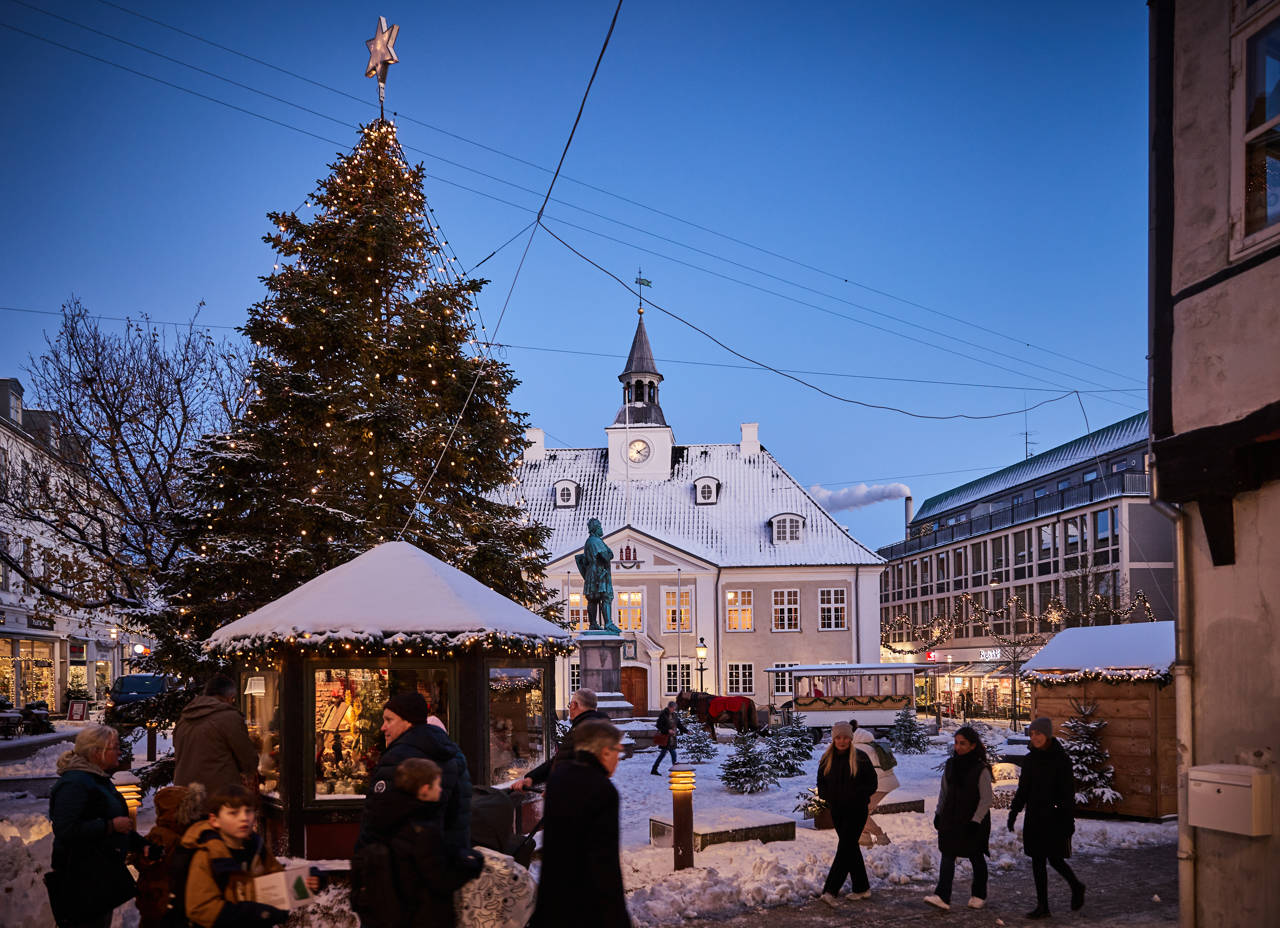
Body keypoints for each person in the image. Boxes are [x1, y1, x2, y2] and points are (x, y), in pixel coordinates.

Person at [530, 720, 630, 928]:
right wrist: (617, 916)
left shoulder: (559, 778)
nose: (617, 761)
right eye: (617, 753)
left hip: (554, 898)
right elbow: (604, 860)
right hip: (589, 905)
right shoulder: (602, 790)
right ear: (604, 752)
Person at [47, 725, 149, 928]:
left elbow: (117, 820)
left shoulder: (98, 778)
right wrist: (109, 826)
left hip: (100, 874)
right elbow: (66, 830)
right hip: (81, 879)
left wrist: (141, 844)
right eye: (115, 747)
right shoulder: (75, 783)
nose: (120, 751)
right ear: (96, 752)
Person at [182, 784, 318, 928]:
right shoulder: (206, 854)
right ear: (214, 820)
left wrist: (307, 880)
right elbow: (200, 908)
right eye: (233, 813)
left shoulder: (255, 847)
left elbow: (275, 879)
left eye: (248, 811)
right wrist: (255, 913)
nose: (244, 818)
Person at [358, 691, 472, 854]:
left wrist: (364, 861)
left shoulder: (398, 758)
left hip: (401, 865)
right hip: (444, 864)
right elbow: (459, 815)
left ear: (408, 722)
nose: (383, 727)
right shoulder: (453, 753)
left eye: (389, 720)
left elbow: (378, 820)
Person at [387, 758, 484, 927]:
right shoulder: (424, 828)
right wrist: (471, 867)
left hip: (404, 911)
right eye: (437, 785)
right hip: (426, 914)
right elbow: (440, 879)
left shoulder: (394, 817)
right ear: (425, 789)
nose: (440, 789)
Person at [1009, 717, 1086, 919]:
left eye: (1039, 734)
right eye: (1032, 734)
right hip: (1034, 817)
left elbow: (1068, 794)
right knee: (1037, 861)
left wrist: (1068, 820)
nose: (1034, 737)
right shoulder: (1030, 759)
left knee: (1055, 859)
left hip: (1054, 817)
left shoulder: (1061, 760)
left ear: (1047, 734)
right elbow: (1023, 789)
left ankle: (1076, 886)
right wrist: (1014, 812)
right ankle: (1043, 906)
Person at [924, 725, 993, 911]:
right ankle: (942, 896)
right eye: (956, 743)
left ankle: (979, 894)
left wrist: (976, 821)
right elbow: (944, 792)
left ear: (972, 746)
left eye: (963, 743)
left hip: (972, 821)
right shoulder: (951, 765)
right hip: (951, 818)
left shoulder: (981, 769)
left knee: (975, 856)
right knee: (947, 855)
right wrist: (938, 813)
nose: (958, 747)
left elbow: (987, 799)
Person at [815, 721, 878, 906]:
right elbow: (822, 784)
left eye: (845, 737)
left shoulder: (860, 758)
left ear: (850, 739)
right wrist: (831, 798)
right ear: (833, 739)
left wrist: (856, 796)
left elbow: (872, 784)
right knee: (850, 848)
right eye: (838, 737)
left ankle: (830, 890)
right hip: (838, 811)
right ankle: (862, 888)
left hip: (856, 811)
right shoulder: (826, 760)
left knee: (845, 849)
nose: (842, 741)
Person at [174, 674, 259, 796]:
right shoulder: (229, 717)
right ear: (230, 697)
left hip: (185, 794)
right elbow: (247, 757)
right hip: (217, 794)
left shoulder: (185, 717)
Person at [511, 688, 608, 792]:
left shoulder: (583, 729)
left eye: (569, 705)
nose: (569, 708)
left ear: (574, 705)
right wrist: (532, 778)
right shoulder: (601, 727)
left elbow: (568, 765)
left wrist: (556, 788)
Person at [850, 721, 899, 846]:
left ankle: (880, 836)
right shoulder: (870, 744)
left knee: (858, 812)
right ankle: (864, 838)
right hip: (885, 783)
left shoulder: (858, 748)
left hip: (879, 784)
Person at [649, 701, 688, 776]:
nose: (674, 710)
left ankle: (655, 769)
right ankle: (673, 770)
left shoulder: (674, 715)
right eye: (673, 708)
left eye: (674, 708)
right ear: (669, 707)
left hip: (672, 739)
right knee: (671, 753)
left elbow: (679, 724)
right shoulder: (663, 715)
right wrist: (667, 730)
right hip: (666, 738)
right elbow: (659, 725)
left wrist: (686, 731)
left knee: (667, 754)